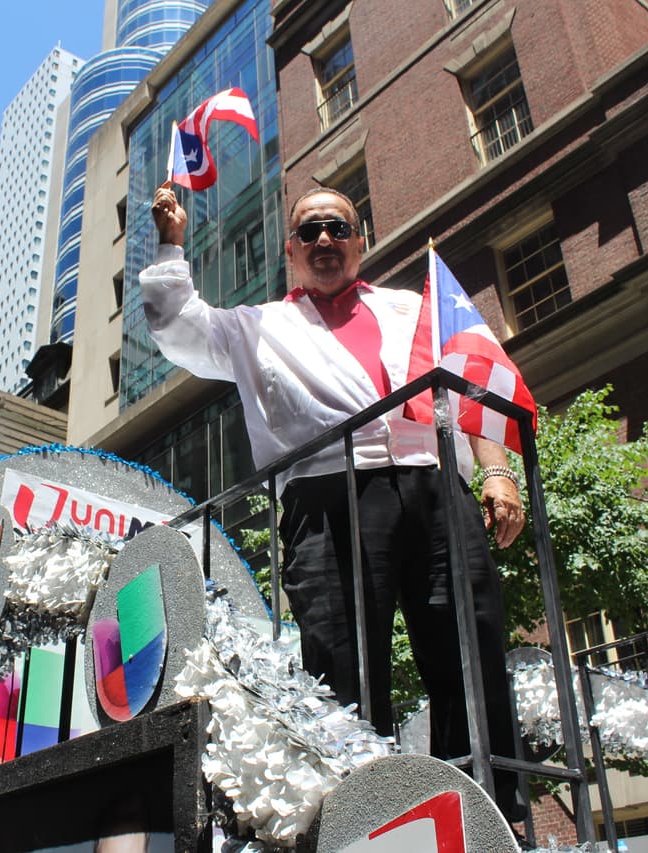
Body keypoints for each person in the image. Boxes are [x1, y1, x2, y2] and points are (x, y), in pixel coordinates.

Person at [141, 183, 527, 821]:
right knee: (341, 665)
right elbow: (179, 328)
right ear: (291, 249)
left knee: (471, 642)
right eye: (310, 231)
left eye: (338, 228)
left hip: (433, 482)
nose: (325, 240)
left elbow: (471, 392)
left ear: (360, 241)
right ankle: (361, 813)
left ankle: (488, 807)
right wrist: (172, 241)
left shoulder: (414, 307)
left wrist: (497, 473)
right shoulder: (256, 325)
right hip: (327, 498)